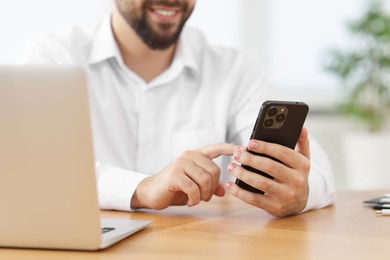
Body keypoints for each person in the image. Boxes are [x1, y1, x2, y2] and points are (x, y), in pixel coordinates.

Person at [19, 0, 335, 217]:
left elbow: (319, 172)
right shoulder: (54, 56)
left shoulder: (233, 69)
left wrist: (301, 192)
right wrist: (142, 188)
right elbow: (35, 173)